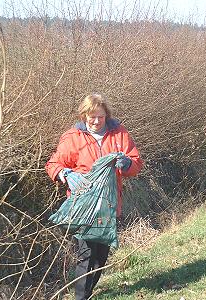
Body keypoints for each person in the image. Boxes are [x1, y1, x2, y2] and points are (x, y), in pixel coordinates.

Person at [45, 93, 143, 300]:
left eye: (100, 116)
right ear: (84, 116)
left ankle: (86, 294)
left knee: (101, 257)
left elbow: (136, 163)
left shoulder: (119, 134)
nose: (97, 121)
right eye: (92, 117)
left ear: (106, 115)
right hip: (84, 208)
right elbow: (53, 164)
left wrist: (127, 165)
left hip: (108, 205)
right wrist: (66, 174)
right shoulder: (73, 138)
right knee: (87, 256)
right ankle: (81, 297)